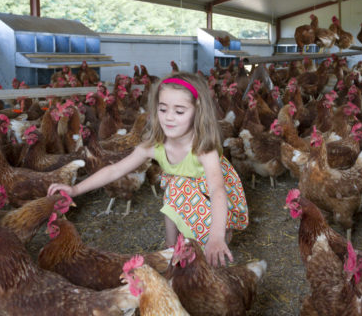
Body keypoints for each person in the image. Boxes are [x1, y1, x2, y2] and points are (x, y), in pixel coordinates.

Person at [48, 71, 248, 267]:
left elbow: (218, 190)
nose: (169, 117)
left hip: (216, 196)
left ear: (197, 111)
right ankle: (170, 249)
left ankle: (220, 233)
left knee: (194, 218)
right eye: (162, 109)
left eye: (179, 111)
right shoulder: (155, 144)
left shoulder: (204, 148)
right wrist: (75, 190)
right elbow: (114, 170)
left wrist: (216, 236)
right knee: (173, 186)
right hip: (182, 191)